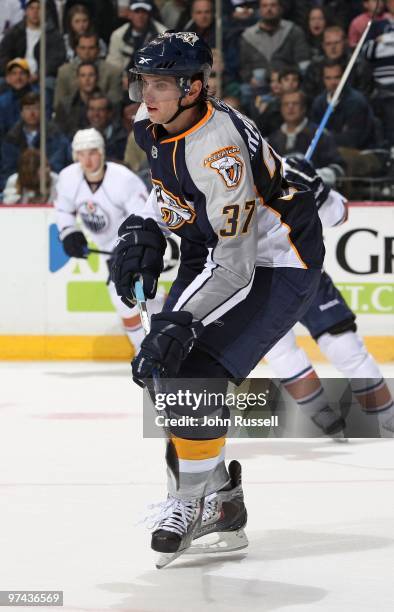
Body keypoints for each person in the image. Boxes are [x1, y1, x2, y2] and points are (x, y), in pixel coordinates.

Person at [110, 32, 325, 566]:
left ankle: (188, 502)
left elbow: (237, 264)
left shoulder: (220, 151)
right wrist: (147, 226)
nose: (147, 94)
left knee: (189, 370)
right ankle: (221, 501)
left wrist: (177, 320)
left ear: (193, 88)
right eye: (143, 82)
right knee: (170, 372)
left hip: (278, 257)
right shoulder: (152, 121)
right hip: (215, 243)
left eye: (160, 83)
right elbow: (175, 196)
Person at [265, 156, 394, 436]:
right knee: (342, 346)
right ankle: (385, 415)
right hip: (301, 272)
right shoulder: (289, 166)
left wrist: (318, 189)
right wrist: (321, 189)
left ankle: (322, 415)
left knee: (282, 351)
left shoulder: (218, 171)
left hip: (255, 282)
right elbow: (340, 214)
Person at [54, 128, 164, 355]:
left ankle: (150, 350)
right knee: (131, 302)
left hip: (132, 248)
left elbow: (143, 216)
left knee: (136, 299)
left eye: (92, 152)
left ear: (102, 152)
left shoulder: (123, 179)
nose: (88, 159)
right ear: (75, 155)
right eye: (82, 153)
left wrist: (135, 247)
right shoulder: (68, 178)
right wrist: (68, 232)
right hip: (108, 252)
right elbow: (63, 209)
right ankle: (150, 349)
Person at [268, 89, 344, 186]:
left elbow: (338, 168)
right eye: (286, 104)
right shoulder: (272, 139)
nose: (290, 107)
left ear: (304, 108)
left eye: (295, 103)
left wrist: (313, 176)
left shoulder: (320, 135)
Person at [0, 92, 70, 191]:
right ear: (21, 112)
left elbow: (57, 165)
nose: (32, 113)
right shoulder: (12, 138)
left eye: (36, 108)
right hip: (20, 187)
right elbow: (7, 171)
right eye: (28, 108)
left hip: (49, 186)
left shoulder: (55, 135)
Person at [54, 31, 123, 110]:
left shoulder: (113, 72)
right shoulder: (64, 72)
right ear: (76, 50)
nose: (87, 52)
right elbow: (58, 105)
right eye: (83, 48)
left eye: (91, 48)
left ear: (98, 50)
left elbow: (116, 104)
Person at [0, 0, 66, 79]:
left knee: (49, 82)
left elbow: (55, 60)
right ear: (26, 11)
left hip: (41, 79)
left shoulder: (53, 35)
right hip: (15, 76)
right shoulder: (14, 33)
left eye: (39, 8)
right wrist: (11, 72)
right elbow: (3, 56)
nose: (35, 12)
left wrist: (38, 75)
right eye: (31, 8)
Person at [107, 1, 166, 71]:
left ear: (149, 14)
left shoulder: (164, 35)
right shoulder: (118, 35)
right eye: (137, 11)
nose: (140, 16)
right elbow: (113, 64)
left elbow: (166, 64)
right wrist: (122, 77)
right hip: (123, 77)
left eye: (144, 12)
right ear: (129, 14)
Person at [55, 61, 100, 137]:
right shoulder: (65, 105)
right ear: (77, 79)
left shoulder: (108, 103)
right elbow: (59, 133)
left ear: (97, 78)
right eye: (83, 75)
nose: (87, 79)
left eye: (91, 75)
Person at [86, 92, 128, 162]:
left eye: (101, 109)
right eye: (92, 109)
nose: (96, 114)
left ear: (109, 113)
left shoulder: (122, 137)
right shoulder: (82, 137)